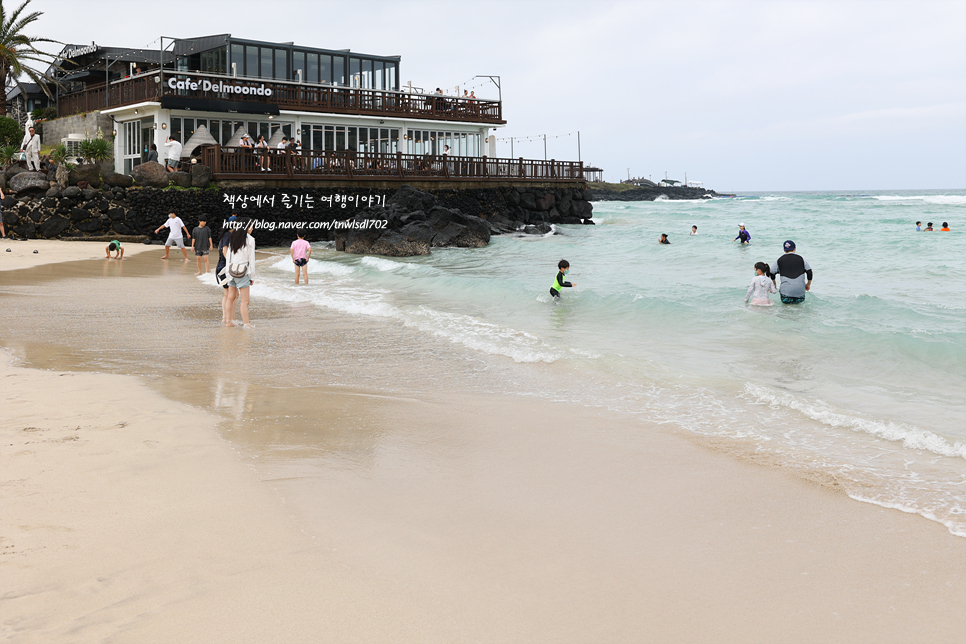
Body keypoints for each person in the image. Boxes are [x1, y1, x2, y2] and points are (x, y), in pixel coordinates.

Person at [221, 226, 256, 328]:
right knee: (245, 301)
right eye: (251, 226)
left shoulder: (234, 237)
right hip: (243, 272)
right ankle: (247, 324)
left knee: (230, 298)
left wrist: (228, 273)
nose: (252, 228)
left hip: (231, 270)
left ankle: (229, 321)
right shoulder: (250, 239)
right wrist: (252, 276)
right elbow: (251, 259)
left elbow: (229, 256)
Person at [216, 217, 236, 325]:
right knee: (231, 294)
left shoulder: (225, 235)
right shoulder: (228, 235)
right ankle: (228, 318)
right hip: (224, 267)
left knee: (226, 294)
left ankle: (225, 318)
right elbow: (225, 250)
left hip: (220, 266)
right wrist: (230, 264)